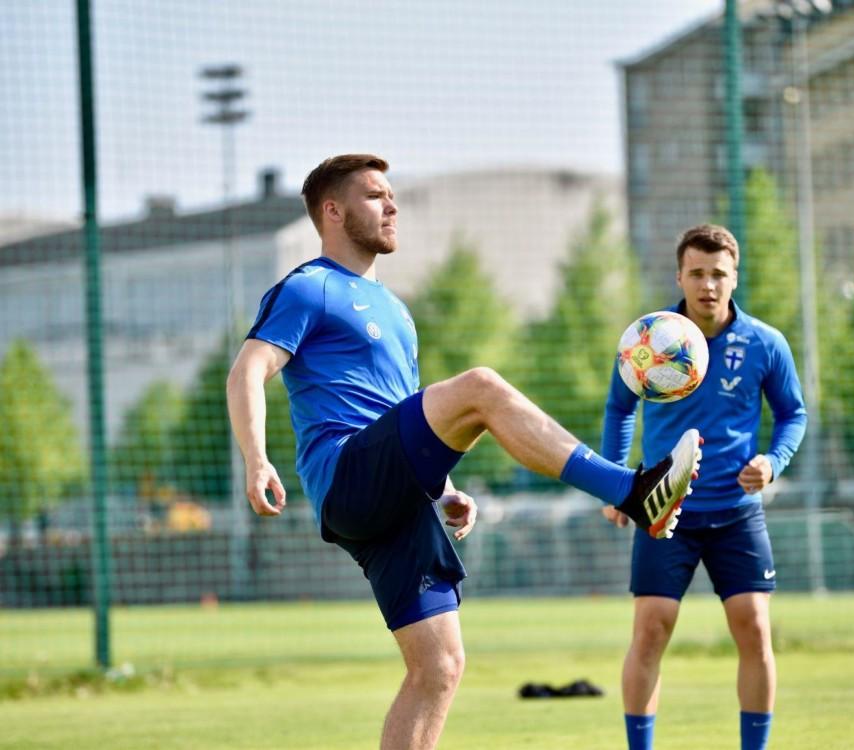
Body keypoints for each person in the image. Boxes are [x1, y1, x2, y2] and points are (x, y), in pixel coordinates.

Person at [226, 154, 703, 750]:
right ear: (332, 211)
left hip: (395, 502)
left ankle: (632, 495)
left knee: (440, 669)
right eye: (375, 196)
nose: (392, 205)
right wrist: (256, 457)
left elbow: (399, 414)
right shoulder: (307, 288)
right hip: (348, 475)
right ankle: (632, 492)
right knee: (480, 387)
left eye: (392, 194)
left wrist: (443, 491)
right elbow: (247, 372)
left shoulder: (395, 312)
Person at [601, 224, 807, 750]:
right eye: (697, 273)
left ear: (734, 277)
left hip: (737, 512)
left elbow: (792, 414)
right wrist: (615, 482)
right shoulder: (650, 340)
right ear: (680, 276)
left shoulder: (766, 343)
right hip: (662, 508)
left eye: (718, 273)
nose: (708, 284)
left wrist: (774, 461)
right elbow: (621, 409)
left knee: (754, 628)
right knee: (651, 630)